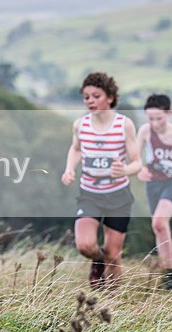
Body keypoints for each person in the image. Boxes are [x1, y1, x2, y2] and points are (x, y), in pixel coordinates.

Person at [61, 72, 142, 290]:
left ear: (110, 98)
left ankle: (110, 304)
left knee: (114, 257)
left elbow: (137, 163)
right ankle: (97, 260)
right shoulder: (80, 125)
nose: (90, 101)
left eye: (96, 96)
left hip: (118, 196)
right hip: (90, 194)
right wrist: (69, 169)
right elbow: (76, 149)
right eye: (86, 97)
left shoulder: (124, 125)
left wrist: (124, 170)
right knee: (85, 245)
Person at [136, 94, 172, 289]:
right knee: (159, 227)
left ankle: (170, 279)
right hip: (153, 182)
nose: (154, 123)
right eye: (150, 118)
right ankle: (167, 274)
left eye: (158, 118)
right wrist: (140, 169)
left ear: (169, 114)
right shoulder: (146, 131)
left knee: (160, 221)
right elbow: (135, 156)